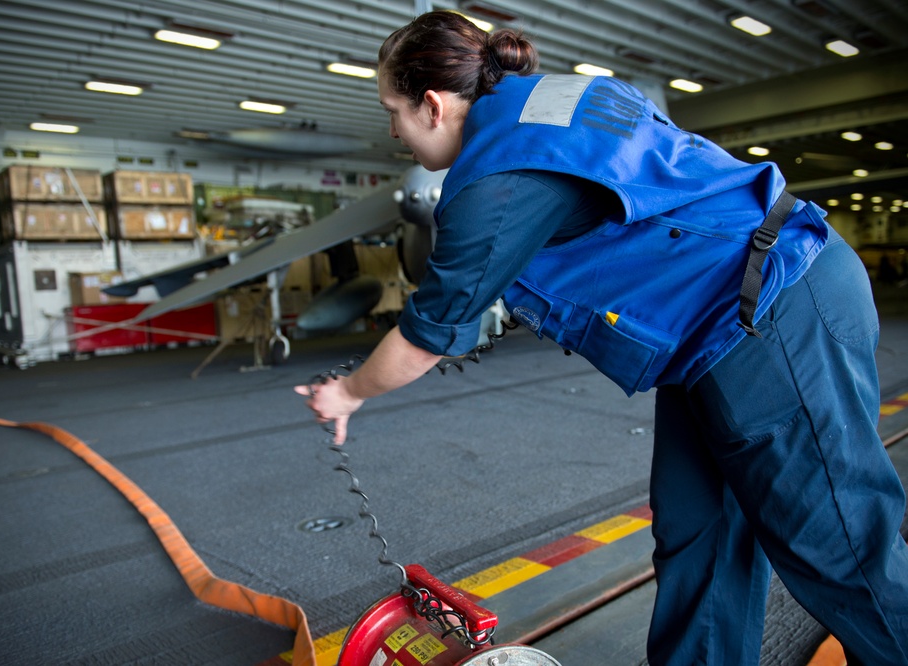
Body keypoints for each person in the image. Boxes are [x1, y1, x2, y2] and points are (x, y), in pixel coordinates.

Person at [294, 10, 908, 665]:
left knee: (835, 542)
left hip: (774, 306)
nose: (393, 131)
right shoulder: (551, 97)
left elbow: (426, 339)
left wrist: (347, 393)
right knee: (698, 530)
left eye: (393, 111)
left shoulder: (496, 179)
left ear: (435, 105)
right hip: (708, 332)